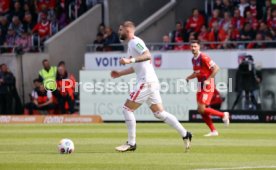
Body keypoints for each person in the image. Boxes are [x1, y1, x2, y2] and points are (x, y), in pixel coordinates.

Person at [111, 21, 192, 152]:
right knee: (160, 113)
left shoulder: (134, 41)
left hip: (146, 82)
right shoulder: (131, 45)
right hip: (151, 81)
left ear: (128, 30)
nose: (119, 32)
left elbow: (148, 55)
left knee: (127, 109)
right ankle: (185, 133)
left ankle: (131, 143)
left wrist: (129, 60)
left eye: (121, 29)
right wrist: (120, 73)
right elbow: (137, 66)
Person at [185, 40, 230, 137]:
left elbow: (216, 68)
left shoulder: (204, 57)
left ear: (199, 47)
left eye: (195, 46)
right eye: (192, 46)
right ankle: (213, 131)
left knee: (201, 108)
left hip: (208, 86)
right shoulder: (193, 59)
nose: (193, 48)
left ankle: (223, 115)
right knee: (201, 110)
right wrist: (189, 77)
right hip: (200, 86)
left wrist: (209, 80)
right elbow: (197, 73)